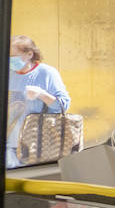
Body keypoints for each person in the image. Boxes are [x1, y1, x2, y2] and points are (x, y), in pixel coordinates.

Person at [7, 35, 72, 168]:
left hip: (36, 146)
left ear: (29, 54)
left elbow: (63, 106)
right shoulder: (7, 73)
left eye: (13, 55)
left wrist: (41, 94)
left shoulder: (47, 73)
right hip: (9, 145)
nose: (10, 60)